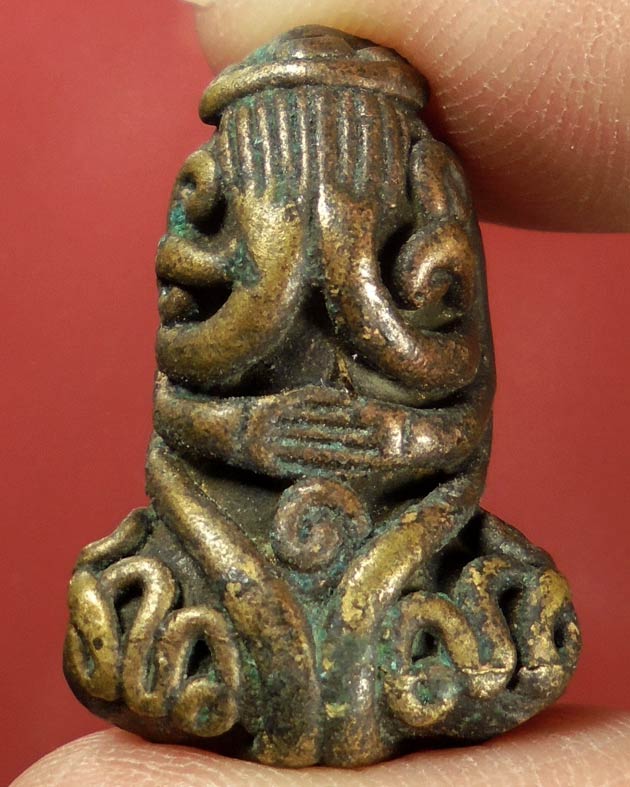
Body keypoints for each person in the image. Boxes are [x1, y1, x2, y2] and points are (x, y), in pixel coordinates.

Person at [12, 1, 630, 784]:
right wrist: (253, 430)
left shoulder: (426, 190)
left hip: (407, 537)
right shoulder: (217, 198)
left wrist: (394, 435)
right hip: (225, 554)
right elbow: (177, 401)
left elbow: (464, 404)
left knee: (507, 623)